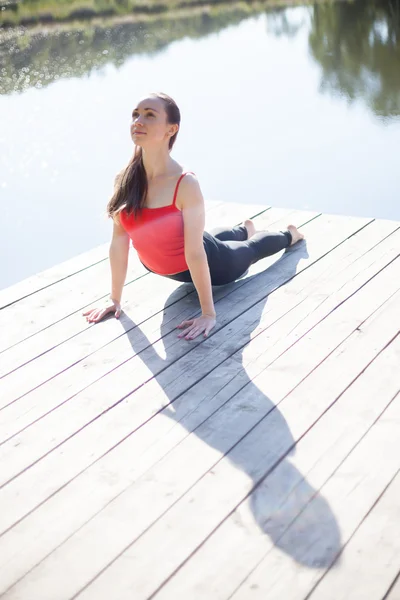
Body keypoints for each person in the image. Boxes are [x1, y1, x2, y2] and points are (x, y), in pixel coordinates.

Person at [83, 92, 304, 340]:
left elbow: (196, 252)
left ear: (171, 129)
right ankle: (242, 229)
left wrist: (208, 314)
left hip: (213, 263)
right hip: (167, 263)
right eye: (135, 114)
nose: (138, 121)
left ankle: (289, 235)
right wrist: (115, 299)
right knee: (204, 237)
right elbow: (119, 242)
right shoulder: (123, 179)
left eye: (149, 115)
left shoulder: (184, 183)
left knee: (250, 250)